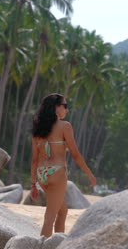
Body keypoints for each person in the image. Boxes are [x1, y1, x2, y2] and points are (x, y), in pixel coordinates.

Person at [30, 93, 96, 237]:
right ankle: (42, 246)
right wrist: (89, 173)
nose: (67, 109)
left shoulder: (38, 129)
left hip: (42, 174)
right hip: (57, 173)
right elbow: (75, 154)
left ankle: (57, 244)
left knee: (62, 210)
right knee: (49, 218)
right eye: (65, 106)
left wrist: (33, 184)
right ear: (56, 108)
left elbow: (34, 159)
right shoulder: (65, 126)